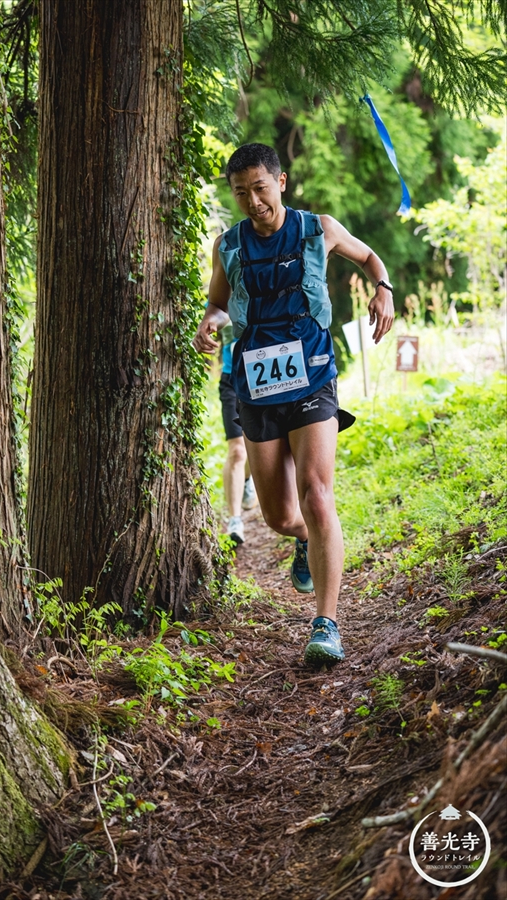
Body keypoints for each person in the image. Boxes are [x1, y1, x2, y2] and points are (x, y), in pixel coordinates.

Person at [192, 143, 394, 665]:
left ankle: (326, 624)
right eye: (241, 193)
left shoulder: (317, 228)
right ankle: (304, 537)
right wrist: (210, 321)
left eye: (260, 188)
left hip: (312, 378)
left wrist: (383, 288)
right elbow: (218, 302)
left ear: (280, 181)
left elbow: (369, 257)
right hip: (256, 387)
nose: (253, 201)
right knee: (282, 516)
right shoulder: (228, 246)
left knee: (317, 495)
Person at [219, 321, 257, 546]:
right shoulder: (219, 301)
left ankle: (246, 479)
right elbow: (213, 317)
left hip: (261, 373)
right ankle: (235, 521)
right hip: (231, 380)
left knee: (255, 443)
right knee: (237, 451)